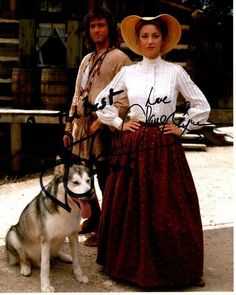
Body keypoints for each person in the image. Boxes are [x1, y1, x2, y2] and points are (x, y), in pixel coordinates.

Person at [93, 14, 211, 288]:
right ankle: (129, 265)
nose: (149, 41)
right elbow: (102, 102)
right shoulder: (129, 72)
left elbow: (200, 104)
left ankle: (177, 268)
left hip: (165, 147)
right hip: (134, 144)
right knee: (131, 204)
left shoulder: (175, 72)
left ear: (163, 40)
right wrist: (120, 123)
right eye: (144, 36)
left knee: (170, 205)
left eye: (155, 36)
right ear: (137, 40)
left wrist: (183, 127)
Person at [63, 6, 131, 247]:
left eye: (101, 25)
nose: (96, 30)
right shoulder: (86, 59)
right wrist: (69, 126)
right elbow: (77, 94)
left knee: (104, 178)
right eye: (92, 26)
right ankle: (94, 219)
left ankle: (108, 229)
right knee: (83, 176)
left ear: (109, 28)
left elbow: (125, 97)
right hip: (82, 127)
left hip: (103, 130)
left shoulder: (120, 59)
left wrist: (103, 121)